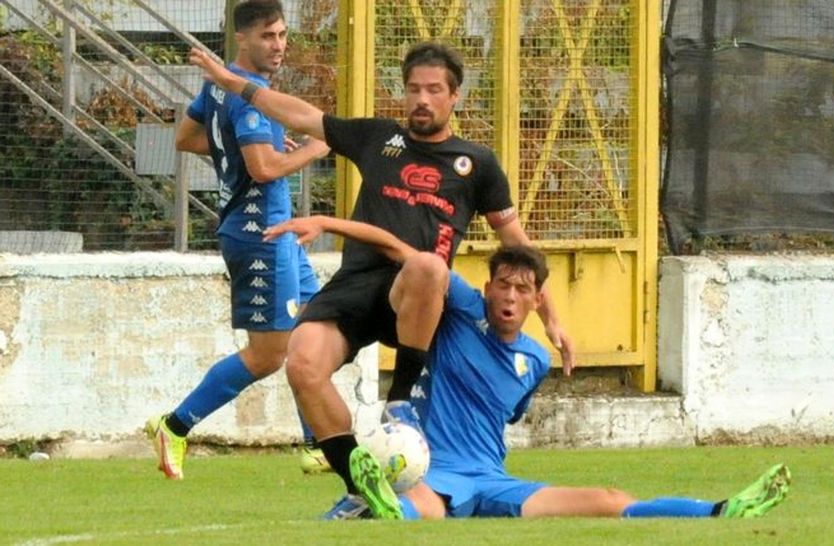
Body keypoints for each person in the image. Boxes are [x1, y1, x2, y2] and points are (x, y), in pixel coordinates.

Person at [189, 41, 575, 518]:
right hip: (357, 282)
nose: (422, 99)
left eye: (434, 90)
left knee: (429, 266)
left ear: (455, 96)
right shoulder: (377, 137)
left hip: (416, 298)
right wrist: (234, 84)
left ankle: (400, 402)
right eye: (414, 89)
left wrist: (552, 318)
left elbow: (519, 248)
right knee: (302, 361)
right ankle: (360, 487)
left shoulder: (477, 165)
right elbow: (302, 115)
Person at [264, 218, 792, 521]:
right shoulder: (459, 309)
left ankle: (720, 510)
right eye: (503, 286)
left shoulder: (535, 360)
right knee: (416, 511)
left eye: (522, 290)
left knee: (609, 500)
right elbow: (405, 253)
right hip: (433, 471)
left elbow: (508, 416)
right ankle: (369, 503)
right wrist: (328, 224)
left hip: (492, 480)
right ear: (487, 287)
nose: (510, 297)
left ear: (537, 300)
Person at [145, 0, 331, 480]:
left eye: (283, 35)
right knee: (268, 355)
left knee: (313, 330)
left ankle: (317, 445)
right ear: (242, 38)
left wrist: (251, 147)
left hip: (276, 232)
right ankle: (175, 426)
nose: (279, 45)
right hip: (260, 235)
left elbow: (187, 137)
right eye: (268, 36)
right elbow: (264, 170)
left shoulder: (221, 84)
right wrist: (313, 148)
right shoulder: (251, 96)